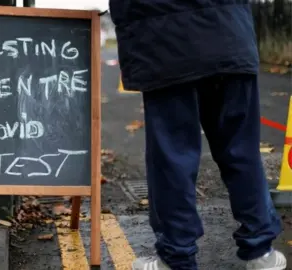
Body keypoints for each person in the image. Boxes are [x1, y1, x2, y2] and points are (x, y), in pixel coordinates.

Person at [109, 1, 286, 269]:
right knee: (241, 151)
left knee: (173, 158)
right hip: (229, 34)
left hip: (165, 44)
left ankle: (176, 256)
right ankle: (260, 250)